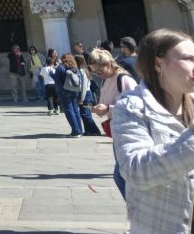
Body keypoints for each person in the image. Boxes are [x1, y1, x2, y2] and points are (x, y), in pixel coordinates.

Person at [113, 29, 194, 234]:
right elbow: (135, 170)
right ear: (158, 63)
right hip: (170, 231)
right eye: (188, 59)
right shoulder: (132, 108)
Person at [89, 47, 138, 198]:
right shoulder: (105, 81)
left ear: (109, 64)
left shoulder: (123, 79)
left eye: (100, 71)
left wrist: (108, 108)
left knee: (120, 176)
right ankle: (137, 206)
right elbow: (105, 103)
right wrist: (100, 109)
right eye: (95, 73)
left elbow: (136, 106)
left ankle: (137, 207)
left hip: (130, 133)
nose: (99, 75)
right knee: (123, 176)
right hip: (118, 132)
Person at [74, 54, 101, 136]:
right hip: (86, 94)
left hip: (86, 94)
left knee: (86, 114)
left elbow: (84, 86)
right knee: (85, 114)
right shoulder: (84, 70)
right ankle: (88, 131)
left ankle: (95, 131)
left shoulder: (82, 71)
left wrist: (81, 98)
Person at [59, 53, 85, 137]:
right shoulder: (75, 67)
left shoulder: (61, 67)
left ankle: (76, 131)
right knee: (75, 110)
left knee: (69, 110)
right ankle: (79, 129)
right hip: (74, 91)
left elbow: (58, 81)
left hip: (65, 91)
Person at [41, 51, 61, 116]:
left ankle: (50, 110)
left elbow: (42, 76)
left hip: (47, 84)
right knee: (55, 97)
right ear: (52, 63)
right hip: (54, 84)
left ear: (46, 62)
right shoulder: (54, 69)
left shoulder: (44, 69)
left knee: (49, 98)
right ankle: (57, 109)